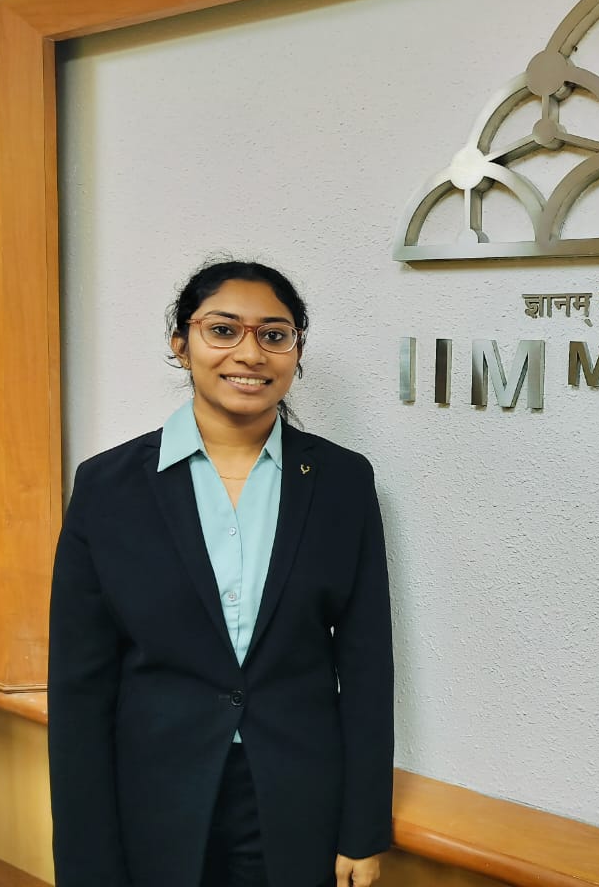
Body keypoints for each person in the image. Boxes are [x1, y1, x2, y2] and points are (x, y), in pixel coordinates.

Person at [48, 261, 393, 887]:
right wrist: (84, 859)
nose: (250, 354)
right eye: (223, 330)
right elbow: (80, 686)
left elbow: (367, 665)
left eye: (274, 335)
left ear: (296, 351)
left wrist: (363, 827)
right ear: (181, 345)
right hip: (151, 798)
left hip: (297, 801)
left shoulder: (342, 482)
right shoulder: (108, 487)